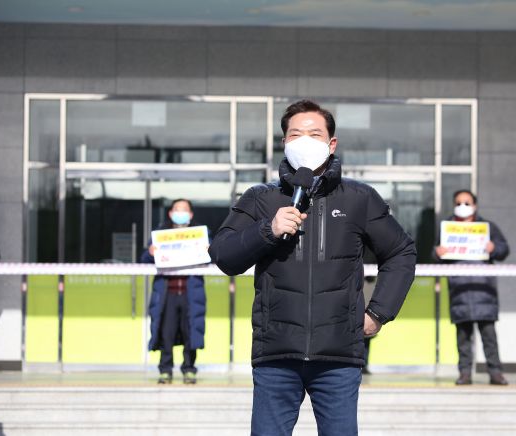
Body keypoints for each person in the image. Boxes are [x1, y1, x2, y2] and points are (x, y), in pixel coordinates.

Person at [208, 99, 416, 435]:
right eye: (295, 135)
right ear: (284, 142)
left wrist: (378, 313)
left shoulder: (359, 199)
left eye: (314, 134)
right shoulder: (260, 198)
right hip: (275, 353)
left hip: (339, 356)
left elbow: (402, 252)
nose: (304, 141)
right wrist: (267, 230)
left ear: (331, 144)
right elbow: (223, 256)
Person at [434, 190, 509, 386]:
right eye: (459, 203)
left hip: (484, 289)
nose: (463, 206)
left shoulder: (488, 227)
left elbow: (504, 249)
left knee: (489, 336)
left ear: (475, 205)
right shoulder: (447, 229)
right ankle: (465, 373)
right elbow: (435, 256)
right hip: (460, 289)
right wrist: (437, 252)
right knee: (463, 337)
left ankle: (496, 373)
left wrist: (495, 248)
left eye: (467, 203)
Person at [141, 199, 206, 384]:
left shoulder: (200, 235)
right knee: (165, 332)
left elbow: (214, 257)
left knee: (190, 331)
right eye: (177, 209)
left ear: (191, 214)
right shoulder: (161, 234)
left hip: (191, 293)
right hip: (166, 293)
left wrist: (208, 251)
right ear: (170, 213)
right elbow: (144, 259)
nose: (180, 213)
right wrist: (150, 253)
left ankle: (189, 369)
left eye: (184, 210)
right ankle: (165, 370)